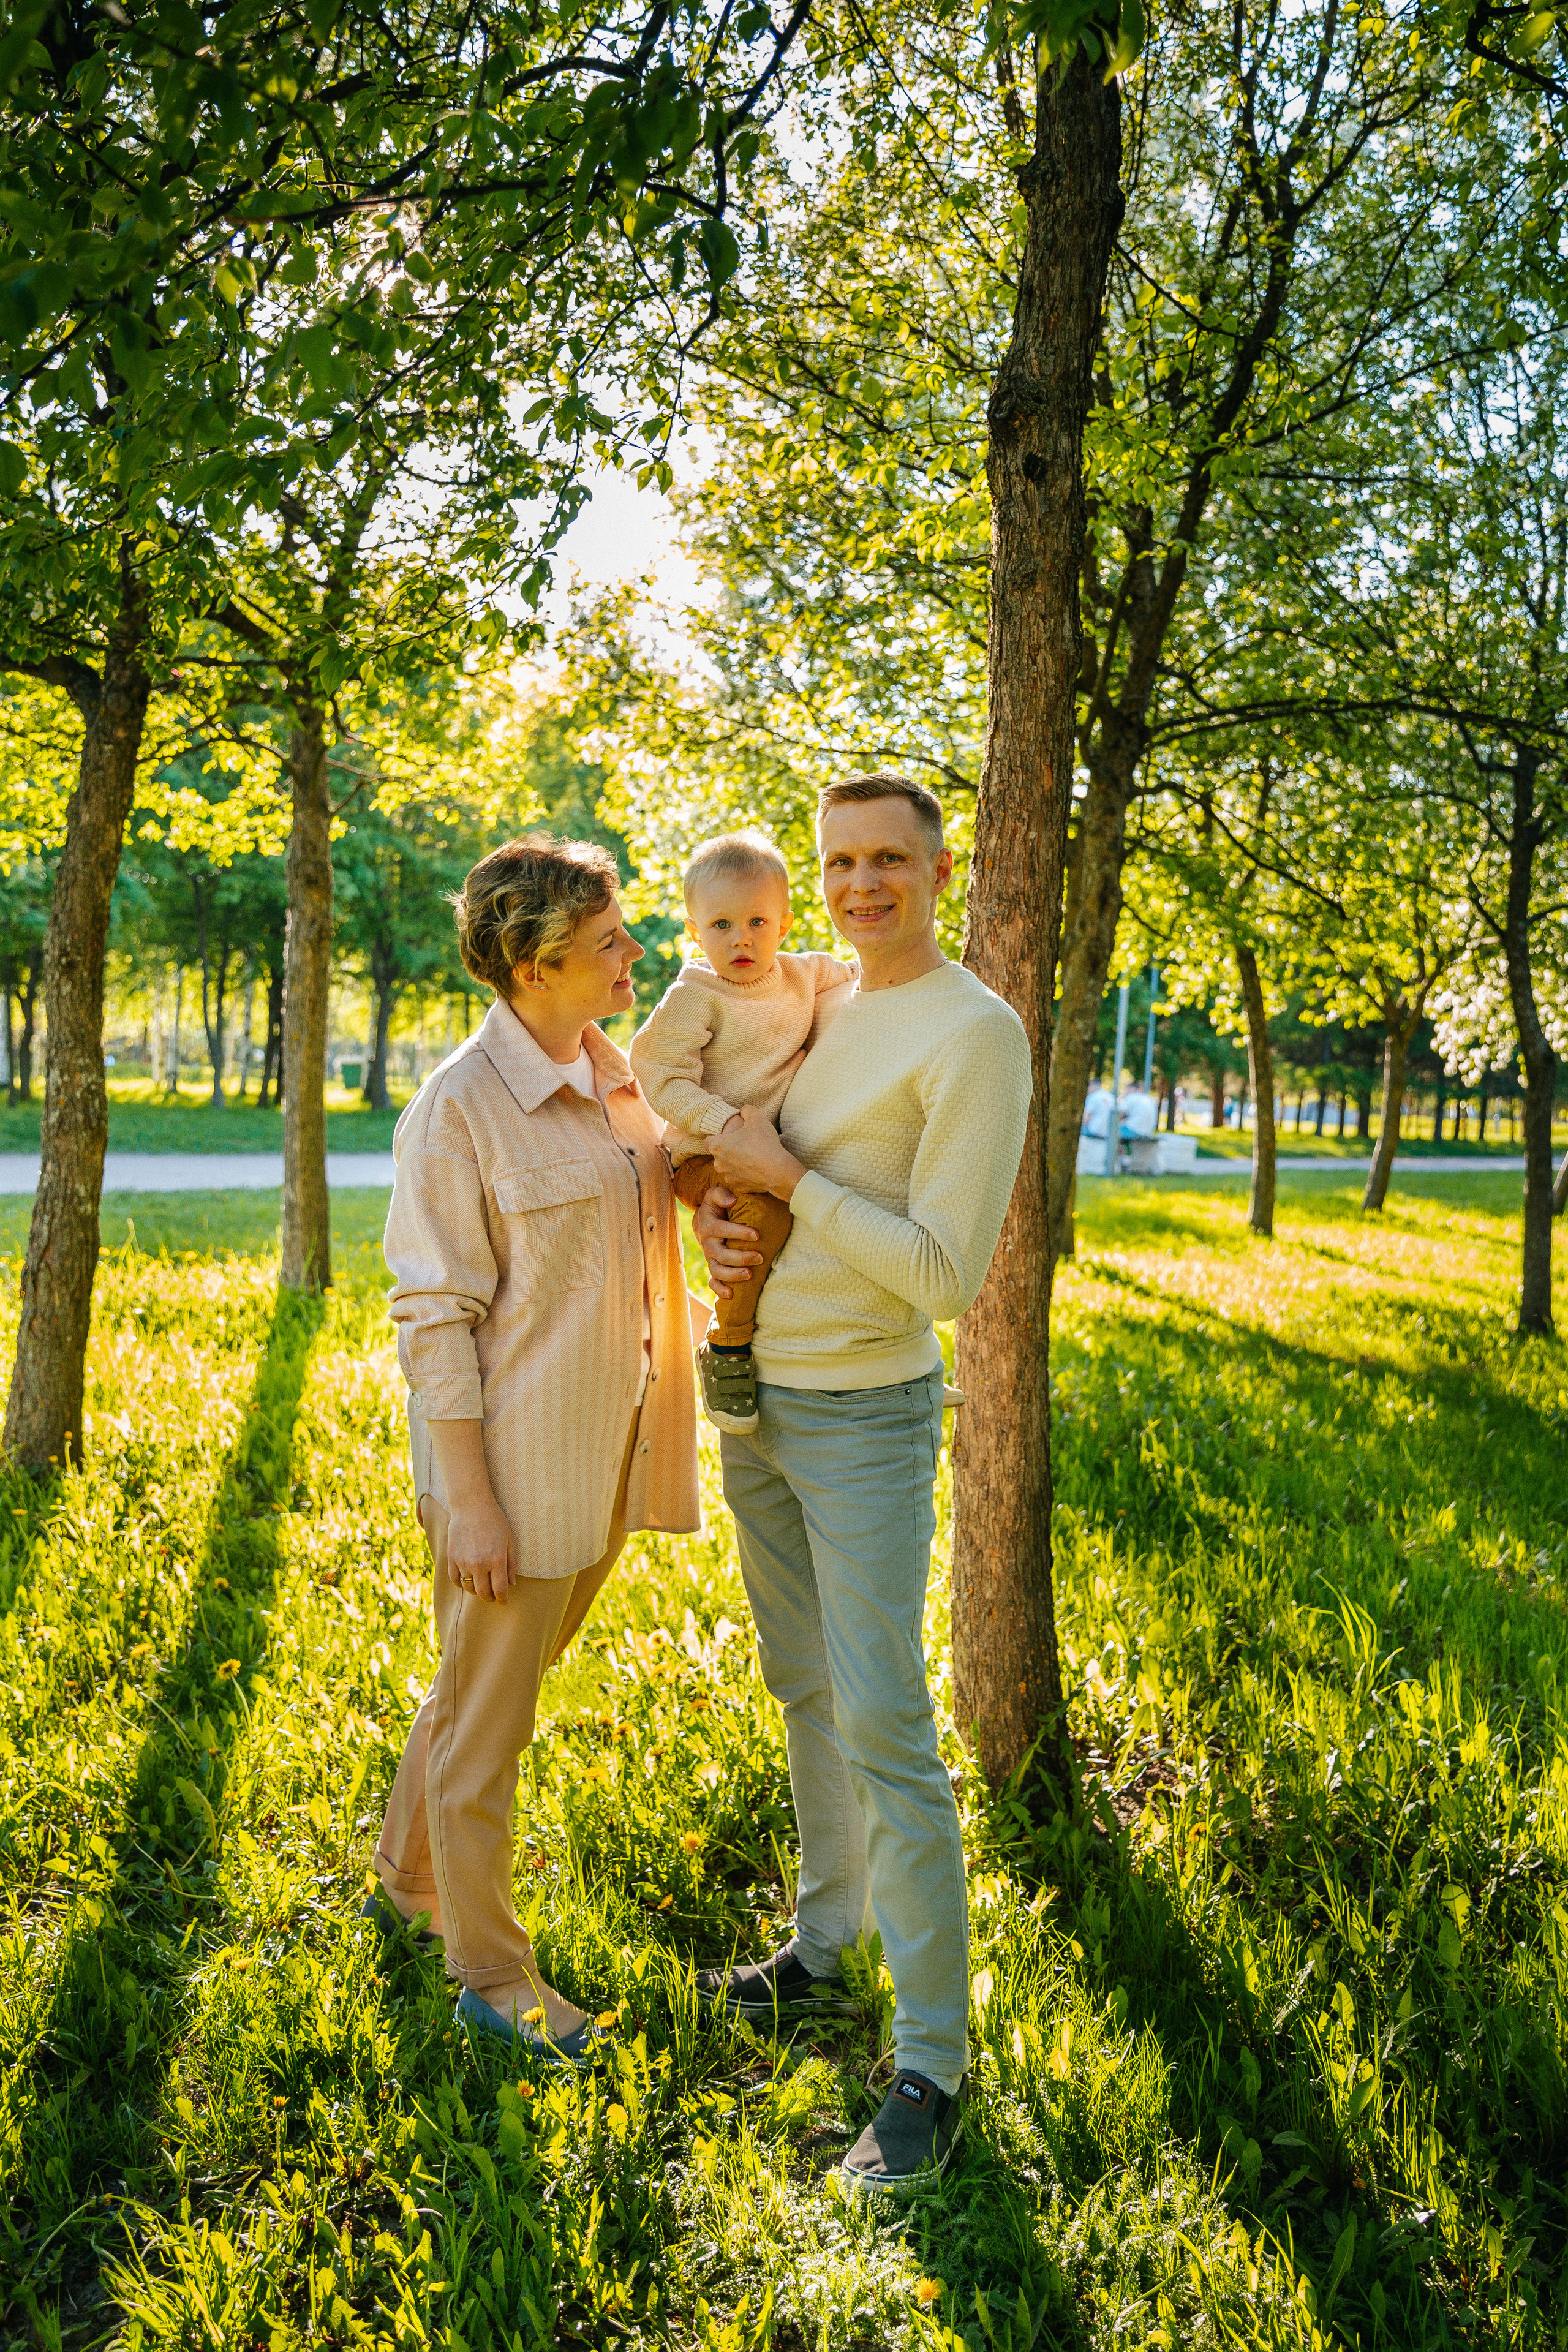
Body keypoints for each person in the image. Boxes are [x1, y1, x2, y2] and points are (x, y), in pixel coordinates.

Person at [690, 772, 1031, 2195]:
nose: (857, 883)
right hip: (756, 1399)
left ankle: (932, 2064)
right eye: (837, 860)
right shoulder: (826, 997)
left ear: (939, 866)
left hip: (864, 1415)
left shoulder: (973, 1032)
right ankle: (823, 1943)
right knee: (804, 1687)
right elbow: (764, 1158)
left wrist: (787, 1179)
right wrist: (726, 1212)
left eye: (887, 857)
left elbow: (946, 1276)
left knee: (887, 1725)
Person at [367, 836, 700, 2061]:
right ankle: (489, 1975)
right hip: (508, 1474)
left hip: (608, 1457)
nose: (631, 954)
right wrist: (467, 1504)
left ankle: (401, 1877)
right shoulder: (457, 1110)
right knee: (489, 1727)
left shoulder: (621, 1080)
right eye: (607, 942)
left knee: (478, 1695)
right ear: (529, 964)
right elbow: (434, 1318)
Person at [628, 829, 854, 1435]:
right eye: (721, 926)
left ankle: (865, 1355)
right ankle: (726, 1349)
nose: (741, 939)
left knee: (847, 1201)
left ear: (784, 924)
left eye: (756, 922)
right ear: (694, 932)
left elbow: (865, 980)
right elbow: (657, 1074)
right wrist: (721, 1124)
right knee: (766, 1220)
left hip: (772, 1147)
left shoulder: (808, 976)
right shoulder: (696, 993)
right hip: (703, 1154)